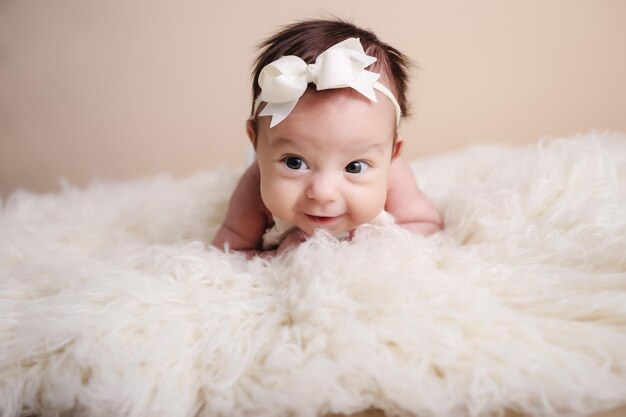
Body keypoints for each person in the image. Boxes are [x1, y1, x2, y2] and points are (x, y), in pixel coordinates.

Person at [213, 19, 442, 257]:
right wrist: (279, 258)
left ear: (393, 153)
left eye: (354, 167)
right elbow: (229, 252)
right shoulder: (254, 187)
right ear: (255, 142)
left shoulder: (393, 176)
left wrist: (378, 245)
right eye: (294, 162)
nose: (323, 192)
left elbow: (427, 225)